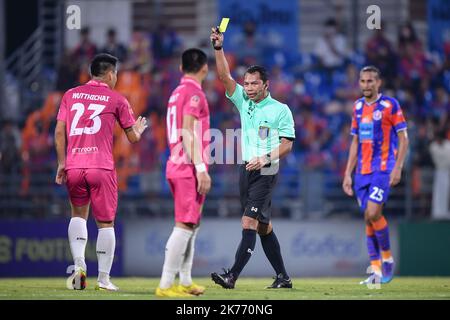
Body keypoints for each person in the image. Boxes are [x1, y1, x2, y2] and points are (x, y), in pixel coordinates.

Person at [209, 27, 295, 289]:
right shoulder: (244, 102)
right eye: (246, 83)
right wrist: (218, 48)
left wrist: (265, 158)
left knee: (248, 221)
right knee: (262, 227)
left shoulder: (280, 109)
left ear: (266, 85)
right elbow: (223, 75)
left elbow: (287, 145)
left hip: (267, 170)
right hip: (245, 169)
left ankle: (231, 276)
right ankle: (283, 277)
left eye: (254, 83)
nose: (248, 88)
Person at [54, 53, 148, 291]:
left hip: (74, 165)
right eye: (116, 73)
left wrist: (61, 163)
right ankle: (104, 279)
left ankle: (78, 267)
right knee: (105, 223)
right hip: (101, 166)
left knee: (78, 215)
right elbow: (132, 138)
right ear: (109, 74)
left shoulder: (70, 95)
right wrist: (139, 129)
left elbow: (58, 132)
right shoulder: (116, 99)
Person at [342, 66, 409, 285]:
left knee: (372, 211)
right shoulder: (358, 107)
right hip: (362, 171)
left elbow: (404, 138)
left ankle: (387, 258)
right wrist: (347, 173)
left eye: (370, 81)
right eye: (363, 81)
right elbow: (355, 142)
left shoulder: (390, 105)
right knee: (368, 217)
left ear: (378, 83)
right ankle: (376, 271)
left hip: (383, 168)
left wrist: (398, 167)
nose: (366, 85)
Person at [155, 48, 211, 297]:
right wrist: (200, 168)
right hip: (187, 166)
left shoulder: (176, 92)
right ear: (205, 69)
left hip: (177, 163)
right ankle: (166, 285)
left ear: (181, 68)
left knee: (193, 223)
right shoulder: (194, 93)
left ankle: (185, 280)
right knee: (185, 224)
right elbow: (187, 130)